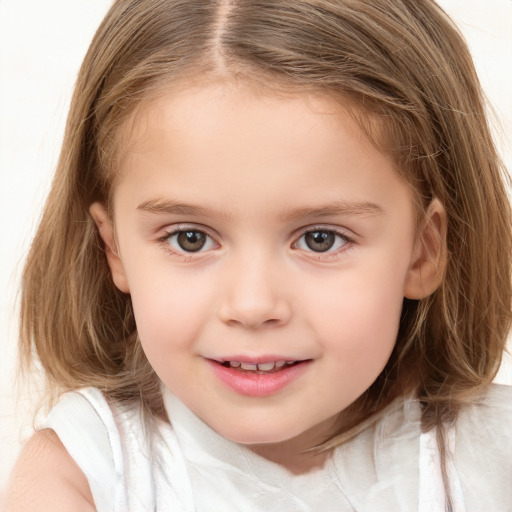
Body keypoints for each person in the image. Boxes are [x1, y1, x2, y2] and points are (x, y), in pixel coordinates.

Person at [5, 0, 511, 510]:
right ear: (113, 248)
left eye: (320, 239)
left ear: (422, 252)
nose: (252, 305)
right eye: (190, 239)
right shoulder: (82, 473)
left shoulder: (494, 463)